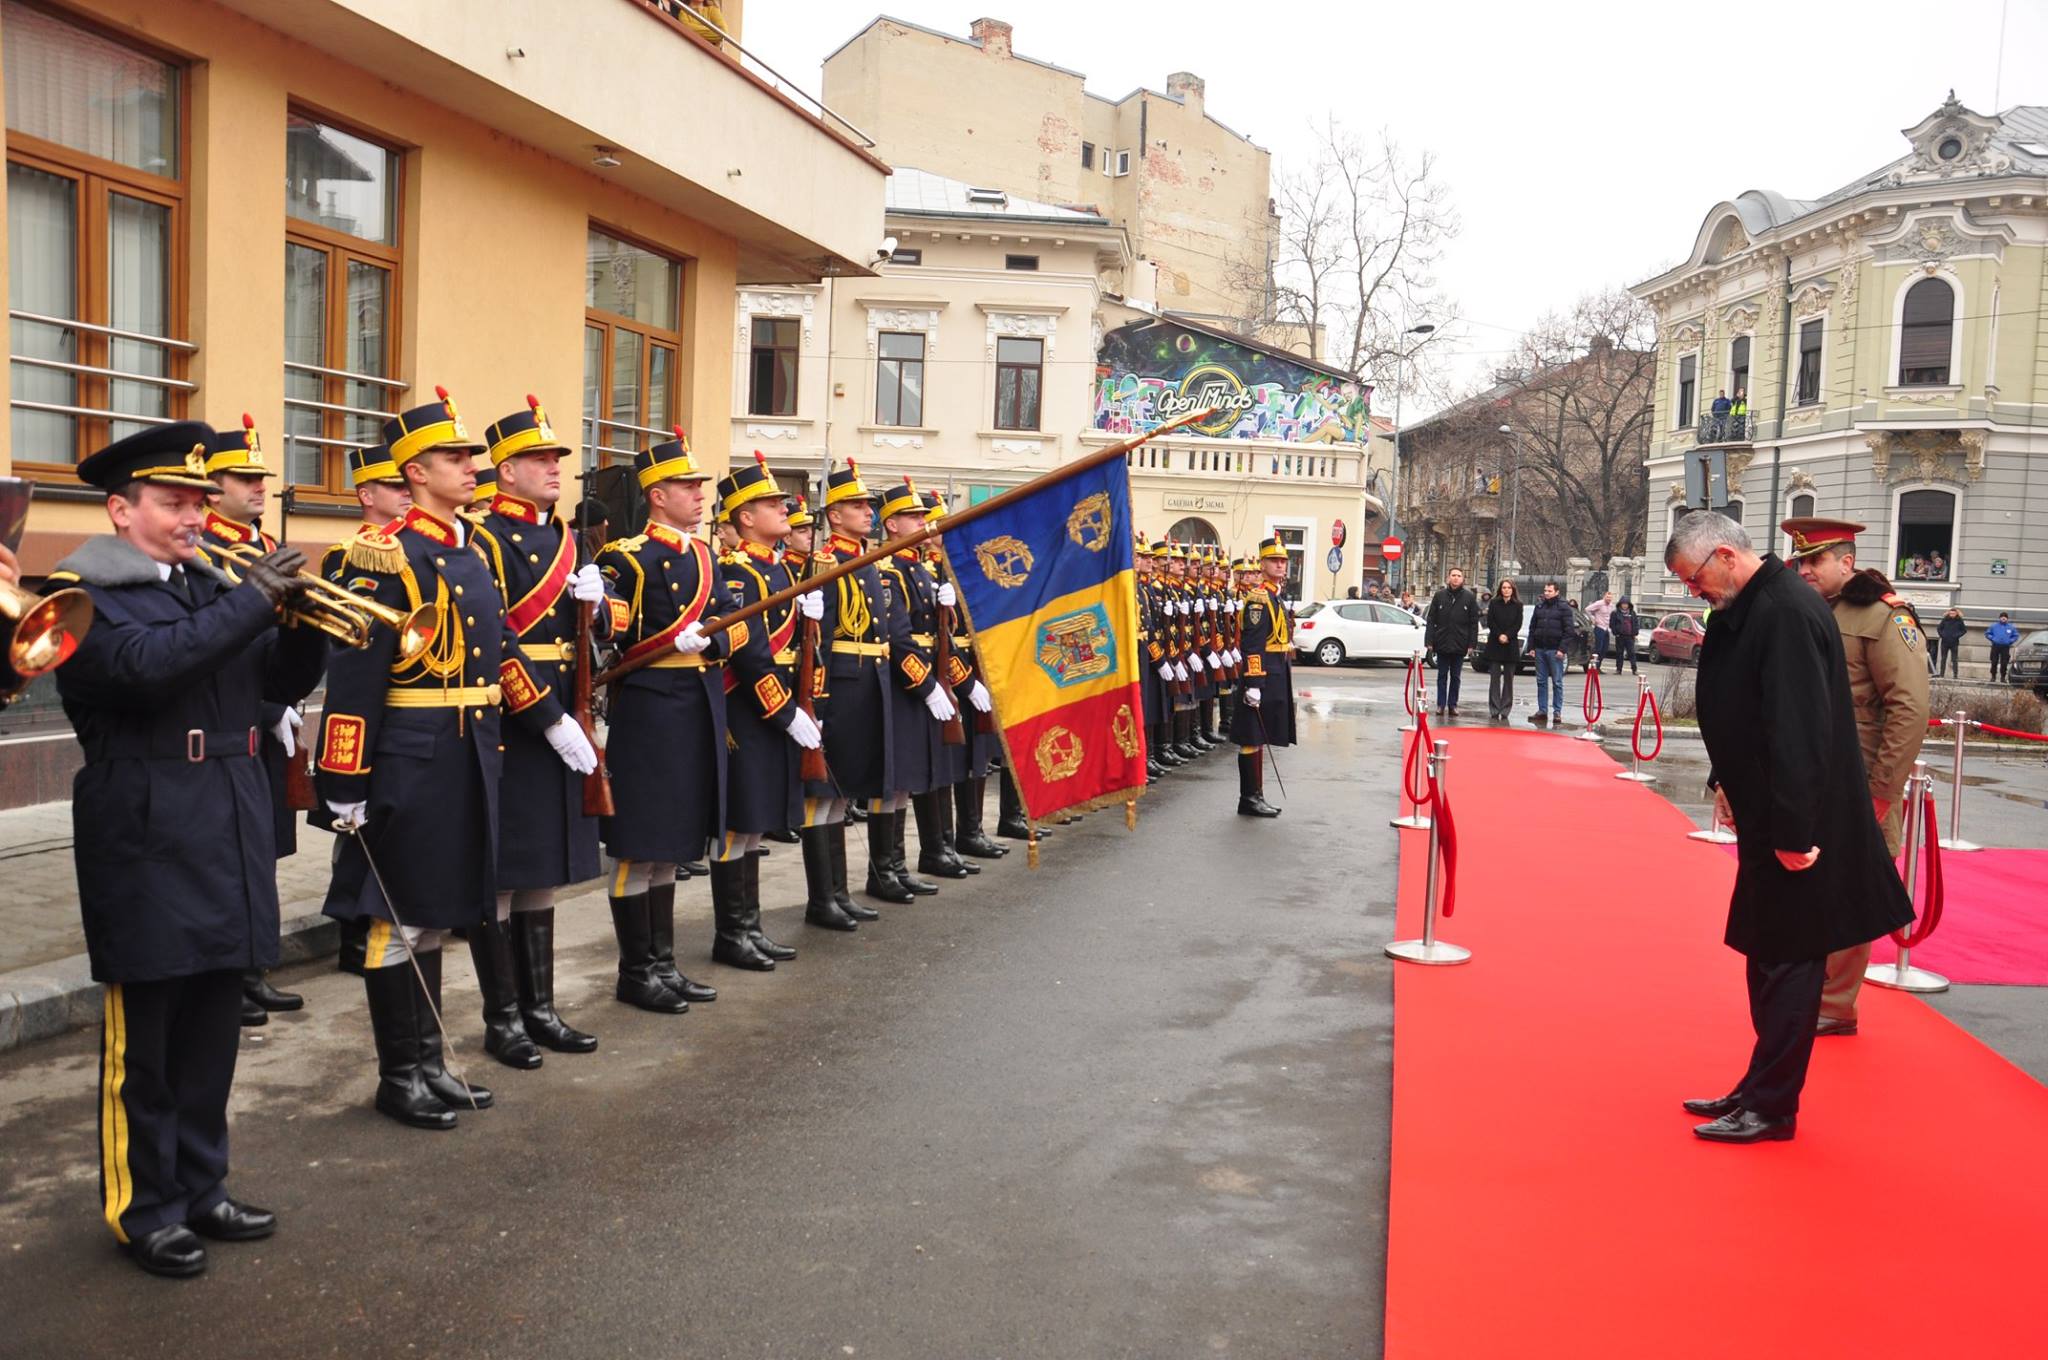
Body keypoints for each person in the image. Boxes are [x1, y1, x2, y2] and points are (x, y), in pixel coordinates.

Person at [51, 422, 325, 1276]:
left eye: (200, 503)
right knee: (150, 1042)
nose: (194, 517)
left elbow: (273, 682)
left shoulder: (213, 586)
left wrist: (304, 622)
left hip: (229, 817)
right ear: (120, 510)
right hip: (147, 827)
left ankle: (204, 1188)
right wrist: (253, 601)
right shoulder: (79, 594)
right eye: (173, 503)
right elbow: (145, 668)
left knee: (213, 1030)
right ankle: (147, 1207)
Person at [317, 387, 597, 1130]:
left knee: (438, 915)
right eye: (454, 457)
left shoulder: (467, 546)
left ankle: (432, 1062)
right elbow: (353, 678)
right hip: (409, 756)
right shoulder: (384, 554)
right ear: (414, 472)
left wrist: (549, 718)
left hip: (471, 750)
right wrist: (342, 782)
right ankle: (398, 1074)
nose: (470, 467)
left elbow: (501, 648)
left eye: (472, 456)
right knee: (399, 919)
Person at [1665, 513, 1913, 1144]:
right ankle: (1758, 1085)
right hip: (1767, 810)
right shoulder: (1755, 605)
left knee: (1788, 963)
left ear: (1724, 555)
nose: (1696, 593)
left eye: (1694, 580)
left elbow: (1799, 729)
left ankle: (1773, 1105)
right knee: (1765, 953)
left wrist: (1793, 832)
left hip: (1797, 823)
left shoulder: (1783, 611)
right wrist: (1727, 782)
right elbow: (1744, 708)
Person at [468, 397, 619, 1063]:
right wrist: (547, 718)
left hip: (567, 702)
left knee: (545, 870)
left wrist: (600, 608)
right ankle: (502, 1019)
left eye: (557, 458)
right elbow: (493, 644)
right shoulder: (483, 541)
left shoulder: (566, 539)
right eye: (538, 459)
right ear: (505, 472)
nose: (554, 468)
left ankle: (541, 1008)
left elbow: (599, 627)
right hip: (515, 716)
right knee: (505, 870)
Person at [593, 432, 735, 1013]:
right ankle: (635, 971)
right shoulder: (625, 557)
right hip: (650, 707)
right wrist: (656, 638)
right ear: (657, 495)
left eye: (700, 486)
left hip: (697, 702)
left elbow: (734, 621)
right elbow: (608, 636)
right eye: (687, 486)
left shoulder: (705, 557)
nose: (699, 496)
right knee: (638, 844)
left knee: (671, 846)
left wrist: (712, 636)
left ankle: (663, 963)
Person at [1781, 516, 1930, 1039]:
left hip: (1863, 771)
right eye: (1799, 561)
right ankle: (1809, 990)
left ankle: (1836, 1004)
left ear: (1846, 562)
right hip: (1813, 770)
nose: (1804, 570)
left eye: (1815, 560)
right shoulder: (1805, 610)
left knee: (1850, 886)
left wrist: (1883, 791)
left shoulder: (1885, 617)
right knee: (1808, 878)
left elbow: (1908, 708)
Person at [193, 415, 313, 1029]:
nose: (260, 486)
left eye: (261, 477)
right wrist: (268, 707)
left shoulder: (267, 548)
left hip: (269, 715)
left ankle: (253, 966)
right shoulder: (205, 550)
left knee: (261, 848)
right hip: (232, 716)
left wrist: (287, 698)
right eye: (245, 478)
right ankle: (229, 975)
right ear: (211, 487)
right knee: (230, 854)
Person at [706, 454, 823, 970]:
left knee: (756, 822)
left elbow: (795, 648)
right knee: (739, 821)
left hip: (775, 702)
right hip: (747, 706)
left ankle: (749, 926)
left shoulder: (779, 569)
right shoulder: (738, 571)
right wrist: (784, 712)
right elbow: (751, 651)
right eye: (771, 503)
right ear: (744, 517)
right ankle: (731, 933)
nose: (784, 509)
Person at [811, 461, 903, 910]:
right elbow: (820, 640)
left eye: (868, 504)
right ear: (834, 515)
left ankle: (840, 893)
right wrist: (818, 702)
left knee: (846, 792)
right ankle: (823, 898)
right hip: (841, 687)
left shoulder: (868, 560)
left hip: (869, 683)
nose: (867, 511)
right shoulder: (826, 562)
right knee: (827, 793)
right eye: (856, 505)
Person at [873, 478, 963, 893]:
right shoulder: (889, 571)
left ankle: (901, 866)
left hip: (927, 676)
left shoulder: (919, 570)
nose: (922, 522)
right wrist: (925, 685)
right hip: (903, 684)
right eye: (912, 516)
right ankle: (886, 870)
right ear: (892, 525)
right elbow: (898, 636)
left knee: (911, 779)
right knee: (896, 779)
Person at [1232, 537, 1295, 816]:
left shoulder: (1275, 595)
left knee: (1261, 733)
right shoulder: (1259, 598)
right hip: (1263, 671)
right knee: (1251, 734)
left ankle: (1256, 794)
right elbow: (1253, 644)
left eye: (1283, 561)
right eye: (1274, 560)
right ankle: (1249, 798)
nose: (1280, 565)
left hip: (1276, 668)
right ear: (1263, 563)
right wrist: (1254, 683)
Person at [1423, 567, 1478, 716]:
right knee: (1442, 675)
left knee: (1456, 677)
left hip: (1460, 643)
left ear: (1463, 579)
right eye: (1453, 575)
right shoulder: (1439, 596)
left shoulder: (1469, 597)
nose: (1455, 578)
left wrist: (1472, 644)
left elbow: (1474, 623)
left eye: (1458, 576)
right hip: (1442, 642)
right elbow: (1431, 619)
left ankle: (1452, 705)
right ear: (1448, 578)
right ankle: (1441, 704)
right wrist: (1429, 641)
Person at [1525, 581, 1575, 725]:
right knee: (1541, 681)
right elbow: (1532, 628)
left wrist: (1562, 649)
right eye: (1545, 590)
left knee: (1557, 682)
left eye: (1550, 591)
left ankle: (1557, 711)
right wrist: (1531, 647)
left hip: (1555, 650)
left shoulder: (1564, 608)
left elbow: (1569, 630)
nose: (1546, 593)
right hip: (1540, 649)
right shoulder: (1539, 606)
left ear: (1557, 592)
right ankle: (1542, 710)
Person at [1483, 579, 1523, 722]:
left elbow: (1518, 624)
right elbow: (1491, 621)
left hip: (1510, 645)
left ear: (1513, 590)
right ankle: (1494, 708)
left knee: (1508, 679)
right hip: (1495, 643)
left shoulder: (1518, 605)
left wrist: (1507, 635)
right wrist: (1499, 634)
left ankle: (1505, 709)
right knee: (1494, 679)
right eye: (1504, 587)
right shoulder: (1494, 603)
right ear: (1500, 589)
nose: (1506, 590)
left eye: (1509, 588)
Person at [1584, 590, 1615, 672]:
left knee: (1604, 649)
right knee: (1598, 648)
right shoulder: (1599, 603)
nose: (1609, 599)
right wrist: (1593, 619)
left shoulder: (1611, 606)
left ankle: (1598, 667)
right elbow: (1587, 609)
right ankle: (1593, 667)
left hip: (1607, 629)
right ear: (1604, 597)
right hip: (1599, 628)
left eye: (1610, 598)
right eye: (1607, 597)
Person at [1609, 597, 1640, 674]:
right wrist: (1616, 632)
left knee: (1631, 653)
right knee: (1619, 653)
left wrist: (1635, 632)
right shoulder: (1615, 613)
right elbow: (1612, 624)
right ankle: (1619, 669)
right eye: (1623, 604)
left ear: (1629, 605)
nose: (1625, 606)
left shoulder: (1632, 613)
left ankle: (1634, 669)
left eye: (1626, 604)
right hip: (1620, 636)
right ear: (1620, 604)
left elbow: (1635, 623)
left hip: (1629, 636)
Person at [1987, 612, 2019, 682]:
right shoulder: (1994, 626)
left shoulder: (2011, 627)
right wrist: (1993, 639)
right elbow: (1987, 633)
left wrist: (2010, 641)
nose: (2003, 618)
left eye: (2005, 617)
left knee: (2004, 663)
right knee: (1994, 662)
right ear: (2000, 618)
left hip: (2005, 647)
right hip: (1995, 646)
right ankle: (1993, 676)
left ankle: (2003, 677)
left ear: (2007, 619)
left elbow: (2016, 635)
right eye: (2002, 616)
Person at [1936, 607, 1964, 678]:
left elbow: (1963, 630)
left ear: (1956, 614)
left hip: (1954, 642)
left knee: (1954, 659)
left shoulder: (1959, 621)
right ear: (1949, 613)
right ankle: (1942, 674)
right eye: (1951, 613)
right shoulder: (1945, 620)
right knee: (1943, 658)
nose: (1952, 615)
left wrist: (1956, 635)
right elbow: (1939, 628)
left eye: (1953, 613)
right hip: (1945, 642)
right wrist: (1942, 635)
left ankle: (1955, 674)